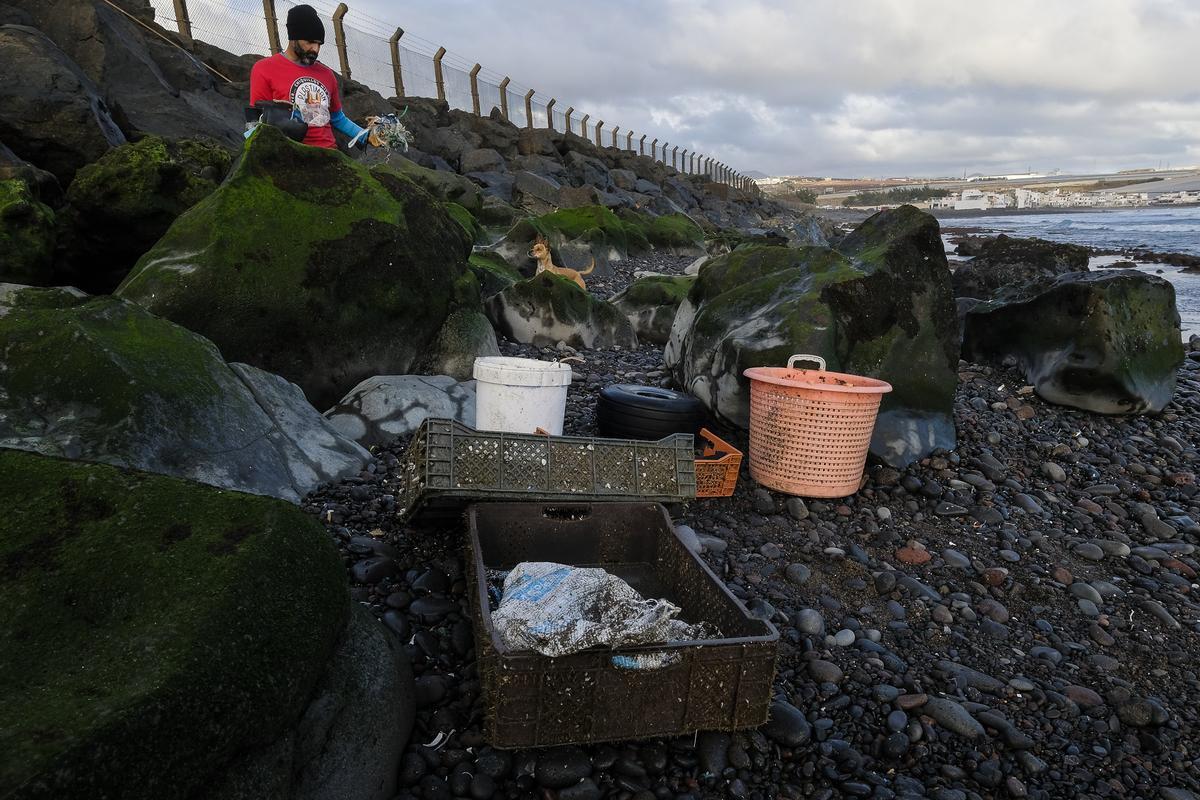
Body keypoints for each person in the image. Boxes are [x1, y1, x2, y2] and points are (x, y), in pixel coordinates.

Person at [247, 4, 369, 149]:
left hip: (331, 153)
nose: (315, 49)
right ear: (293, 38)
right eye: (310, 42)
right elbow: (254, 123)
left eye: (319, 44)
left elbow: (337, 119)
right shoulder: (264, 69)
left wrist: (367, 136)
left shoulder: (327, 74)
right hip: (291, 154)